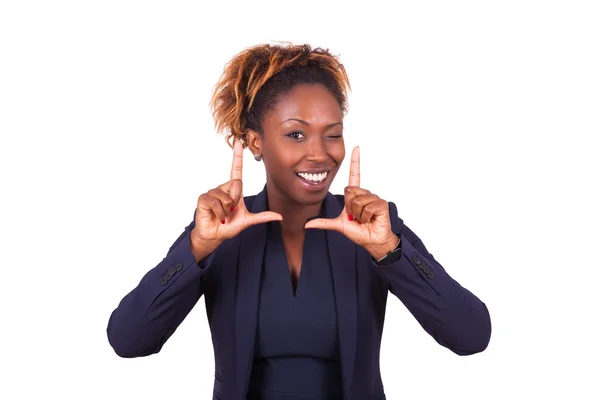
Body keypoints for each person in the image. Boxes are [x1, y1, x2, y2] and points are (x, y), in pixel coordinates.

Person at [106, 43, 491, 400]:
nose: (320, 155)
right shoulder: (219, 231)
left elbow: (471, 335)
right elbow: (128, 340)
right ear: (256, 143)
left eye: (333, 135)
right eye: (296, 134)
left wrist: (389, 252)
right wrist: (197, 248)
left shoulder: (375, 226)